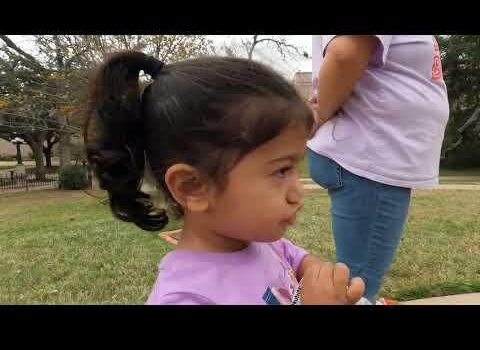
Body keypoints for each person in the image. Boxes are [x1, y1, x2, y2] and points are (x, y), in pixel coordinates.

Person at [84, 51, 365, 305]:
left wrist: (318, 274)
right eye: (281, 170)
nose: (297, 192)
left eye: (294, 168)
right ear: (193, 187)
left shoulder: (259, 241)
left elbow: (297, 259)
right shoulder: (186, 297)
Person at [307, 35, 450, 302]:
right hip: (370, 159)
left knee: (357, 278)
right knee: (358, 287)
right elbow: (345, 54)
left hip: (374, 157)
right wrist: (319, 113)